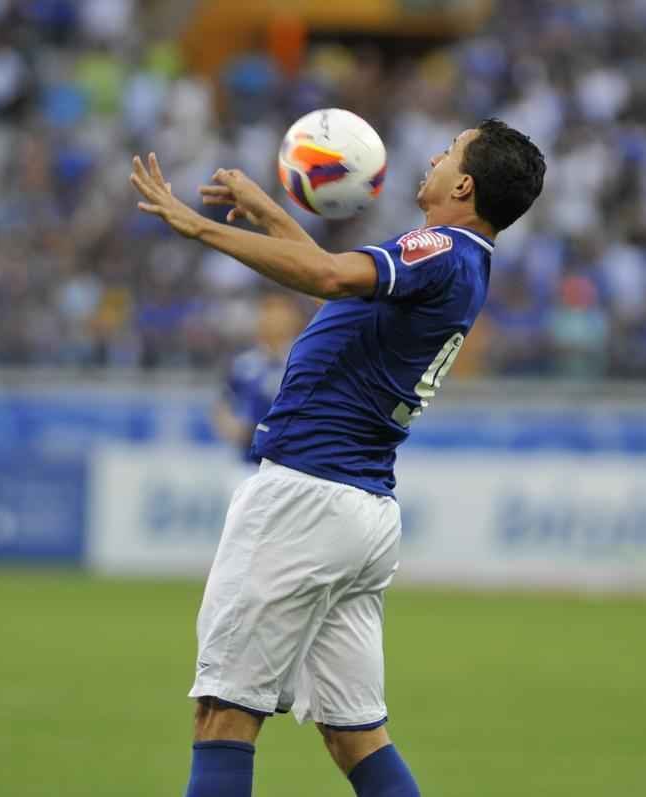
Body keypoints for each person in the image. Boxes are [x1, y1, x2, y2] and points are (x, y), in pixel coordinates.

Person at [129, 117, 545, 797]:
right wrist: (268, 211)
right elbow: (334, 284)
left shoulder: (438, 246)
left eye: (450, 152)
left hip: (305, 495)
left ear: (463, 184)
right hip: (361, 509)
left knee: (223, 714)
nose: (435, 157)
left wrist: (196, 226)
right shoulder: (465, 260)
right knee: (354, 734)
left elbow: (326, 272)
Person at [212, 293, 304, 462]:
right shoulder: (244, 364)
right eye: (267, 316)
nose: (273, 323)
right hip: (248, 460)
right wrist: (234, 429)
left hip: (291, 463)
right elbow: (223, 405)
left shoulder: (303, 363)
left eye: (279, 317)